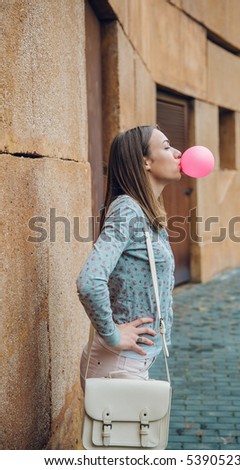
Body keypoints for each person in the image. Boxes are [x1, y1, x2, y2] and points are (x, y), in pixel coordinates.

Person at [76, 125, 182, 389]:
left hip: (131, 362)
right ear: (145, 161)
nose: (179, 153)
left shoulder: (145, 211)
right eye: (167, 147)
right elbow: (89, 280)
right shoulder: (128, 210)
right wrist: (112, 335)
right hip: (120, 364)